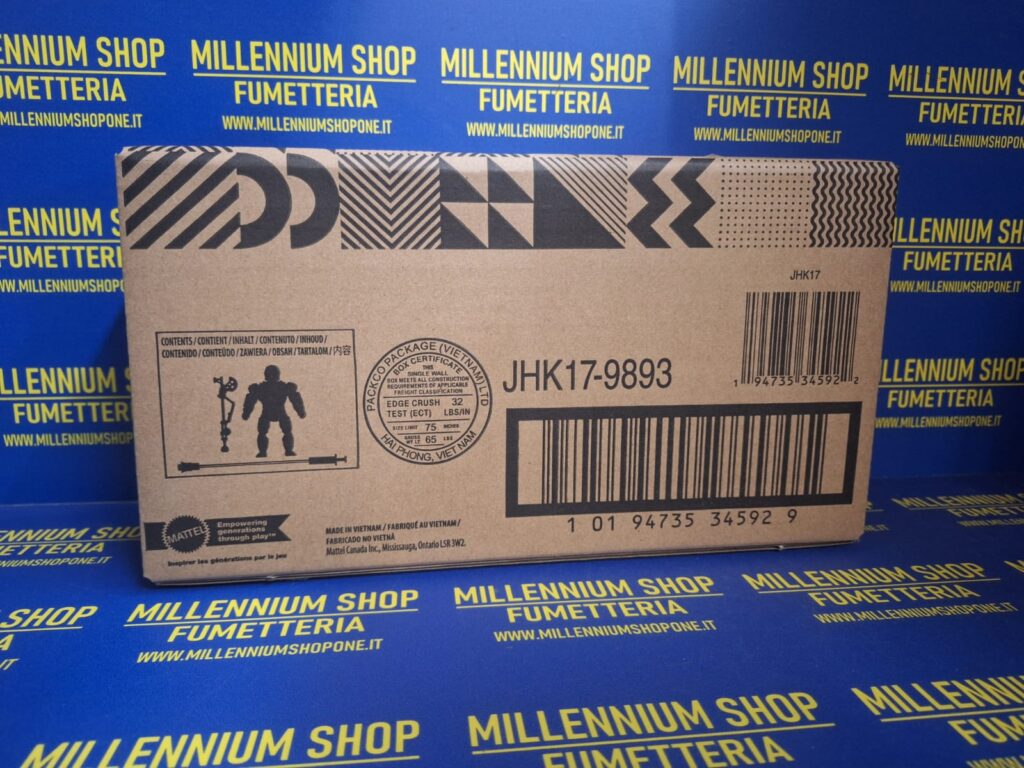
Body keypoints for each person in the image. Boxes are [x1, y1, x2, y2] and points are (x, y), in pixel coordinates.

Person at [241, 365, 306, 457]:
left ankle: (269, 451)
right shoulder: (282, 387)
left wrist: (246, 414)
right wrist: (301, 412)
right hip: (274, 412)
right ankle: (284, 451)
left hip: (274, 412)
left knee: (270, 431)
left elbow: (250, 401)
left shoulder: (262, 388)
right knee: (279, 431)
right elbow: (250, 401)